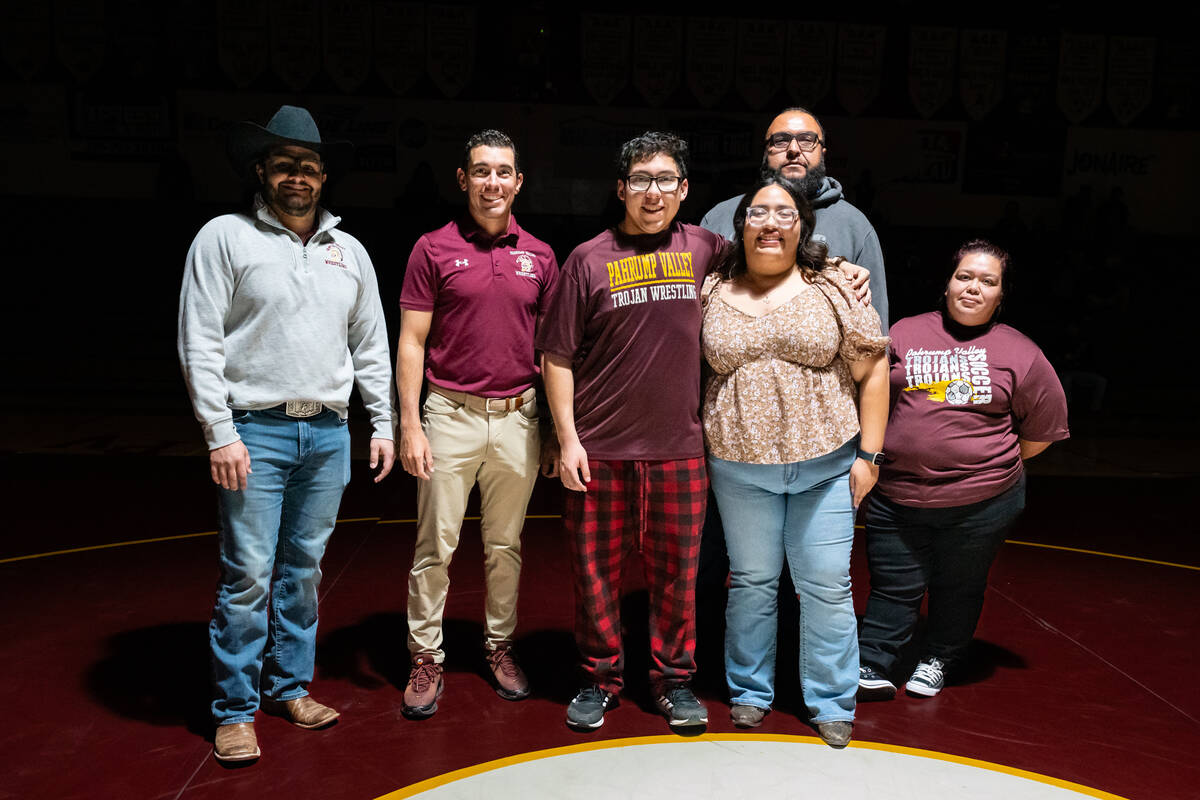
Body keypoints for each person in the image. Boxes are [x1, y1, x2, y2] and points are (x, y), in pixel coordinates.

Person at [178, 105, 396, 762]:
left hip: (327, 435)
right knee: (248, 573)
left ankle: (289, 686)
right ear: (261, 171)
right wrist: (220, 433)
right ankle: (236, 708)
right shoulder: (224, 237)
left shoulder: (348, 251)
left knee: (302, 572)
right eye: (283, 165)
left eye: (307, 166)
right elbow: (199, 342)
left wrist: (381, 423)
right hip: (255, 433)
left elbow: (372, 347)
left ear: (324, 175)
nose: (296, 176)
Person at [537, 131, 722, 731]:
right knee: (595, 576)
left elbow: (777, 253)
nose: (652, 192)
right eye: (640, 180)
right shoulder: (587, 260)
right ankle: (598, 678)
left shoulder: (706, 249)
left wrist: (838, 268)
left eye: (666, 180)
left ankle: (673, 682)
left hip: (679, 451)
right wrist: (566, 439)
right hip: (599, 451)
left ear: (684, 189)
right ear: (620, 188)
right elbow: (556, 357)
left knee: (678, 580)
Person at [701, 174, 889, 748]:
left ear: (803, 226)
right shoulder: (710, 288)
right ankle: (750, 691)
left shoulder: (834, 286)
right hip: (738, 467)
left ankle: (831, 699)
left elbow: (873, 365)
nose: (771, 222)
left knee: (826, 584)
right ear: (740, 226)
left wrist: (870, 456)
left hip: (827, 465)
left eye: (785, 214)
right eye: (758, 212)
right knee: (753, 582)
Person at [856, 239, 1069, 701]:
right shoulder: (905, 333)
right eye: (965, 277)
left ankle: (938, 658)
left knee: (959, 584)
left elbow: (1041, 433)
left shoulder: (1021, 353)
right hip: (898, 495)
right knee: (894, 583)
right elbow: (870, 398)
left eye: (987, 282)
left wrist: (982, 465)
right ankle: (873, 659)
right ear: (948, 283)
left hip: (982, 503)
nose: (974, 288)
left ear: (1000, 295)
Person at [397, 130, 558, 718]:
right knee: (434, 546)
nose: (493, 182)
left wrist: (551, 432)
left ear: (519, 182)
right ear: (463, 179)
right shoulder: (432, 249)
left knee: (505, 545)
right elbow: (412, 342)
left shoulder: (540, 255)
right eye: (481, 171)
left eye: (504, 172)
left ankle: (499, 646)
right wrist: (410, 424)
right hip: (448, 416)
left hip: (517, 418)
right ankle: (426, 657)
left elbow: (550, 353)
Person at [700, 106, 888, 331]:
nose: (793, 149)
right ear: (765, 153)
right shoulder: (721, 217)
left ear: (823, 153)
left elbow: (875, 332)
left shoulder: (854, 226)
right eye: (780, 140)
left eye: (807, 140)